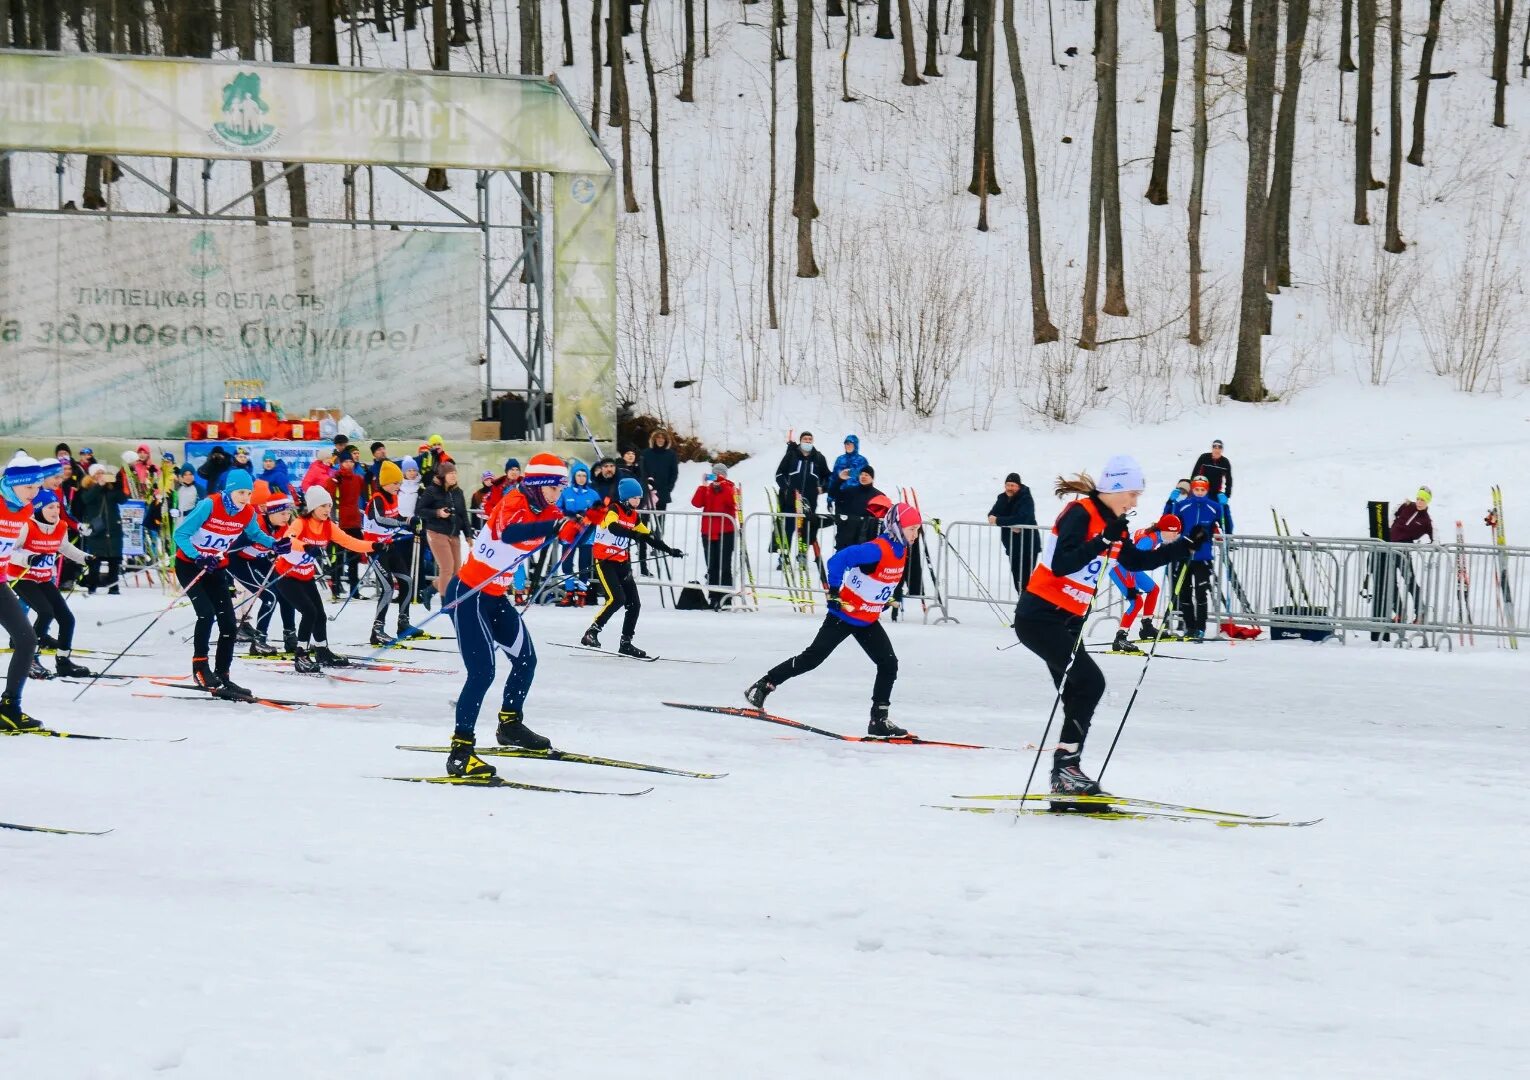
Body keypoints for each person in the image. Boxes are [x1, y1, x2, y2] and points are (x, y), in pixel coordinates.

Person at [1014, 458, 1201, 795]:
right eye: (1132, 494)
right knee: (1090, 683)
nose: (1135, 502)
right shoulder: (1081, 513)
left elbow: (1134, 561)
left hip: (1067, 620)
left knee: (1077, 691)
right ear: (1115, 488)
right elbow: (1061, 564)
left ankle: (1066, 773)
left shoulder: (1116, 522)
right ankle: (1066, 771)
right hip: (1039, 615)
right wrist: (1102, 540)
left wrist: (1182, 547)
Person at [446, 453, 581, 777]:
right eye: (556, 487)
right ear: (539, 484)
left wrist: (581, 526)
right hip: (469, 596)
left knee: (526, 660)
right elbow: (510, 534)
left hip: (495, 597)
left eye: (562, 487)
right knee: (482, 673)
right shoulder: (513, 501)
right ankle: (460, 751)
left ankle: (510, 725)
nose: (559, 493)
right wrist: (555, 525)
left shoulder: (548, 510)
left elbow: (567, 538)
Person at [745, 502, 925, 738]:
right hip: (844, 616)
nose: (915, 534)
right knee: (812, 658)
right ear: (897, 527)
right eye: (912, 529)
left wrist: (886, 596)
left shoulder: (901, 550)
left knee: (888, 663)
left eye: (917, 529)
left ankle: (878, 720)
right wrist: (833, 591)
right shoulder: (877, 549)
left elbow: (878, 578)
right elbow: (837, 561)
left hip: (866, 619)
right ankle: (763, 684)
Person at [172, 467, 286, 699]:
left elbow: (255, 534)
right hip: (190, 565)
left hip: (216, 567)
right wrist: (197, 556)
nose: (246, 498)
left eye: (249, 493)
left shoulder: (247, 512)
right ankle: (200, 668)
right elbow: (180, 534)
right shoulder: (210, 505)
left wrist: (274, 544)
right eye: (241, 493)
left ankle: (223, 675)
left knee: (228, 624)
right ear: (230, 491)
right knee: (206, 613)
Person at [274, 486, 381, 672]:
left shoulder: (328, 526)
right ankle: (301, 654)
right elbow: (287, 540)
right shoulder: (301, 523)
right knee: (309, 612)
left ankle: (322, 651)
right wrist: (305, 546)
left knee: (320, 615)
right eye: (323, 505)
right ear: (313, 507)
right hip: (286, 576)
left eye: (329, 505)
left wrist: (374, 546)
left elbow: (350, 541)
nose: (327, 510)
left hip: (305, 576)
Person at [580, 477, 684, 656]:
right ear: (626, 497)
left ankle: (626, 643)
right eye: (635, 498)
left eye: (639, 498)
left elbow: (649, 536)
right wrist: (633, 534)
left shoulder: (634, 516)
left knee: (634, 604)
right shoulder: (614, 509)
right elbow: (613, 527)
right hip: (605, 562)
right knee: (617, 599)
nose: (638, 501)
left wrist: (669, 550)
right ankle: (591, 632)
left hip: (622, 563)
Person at [0, 453, 64, 729]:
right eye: (29, 488)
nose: (34, 494)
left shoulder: (25, 510)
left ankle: (9, 708)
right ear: (13, 484)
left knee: (27, 641)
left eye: (37, 488)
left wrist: (26, 559)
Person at [9, 489, 93, 677]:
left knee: (67, 619)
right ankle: (29, 659)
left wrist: (86, 558)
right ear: (39, 508)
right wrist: (28, 558)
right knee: (45, 612)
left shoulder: (60, 526)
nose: (55, 511)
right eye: (50, 507)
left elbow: (64, 547)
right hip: (21, 577)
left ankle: (63, 662)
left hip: (43, 578)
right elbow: (8, 551)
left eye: (57, 507)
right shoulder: (27, 526)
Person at [227, 489, 297, 657]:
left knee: (286, 594)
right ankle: (259, 641)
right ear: (270, 513)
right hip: (238, 562)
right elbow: (229, 550)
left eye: (288, 512)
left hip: (258, 560)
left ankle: (290, 637)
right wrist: (227, 580)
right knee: (270, 596)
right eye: (281, 513)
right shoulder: (256, 525)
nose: (285, 516)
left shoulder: (282, 528)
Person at [1107, 514, 1183, 653]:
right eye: (1173, 532)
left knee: (1153, 589)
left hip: (1129, 567)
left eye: (1177, 533)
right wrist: (1130, 587)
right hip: (1119, 566)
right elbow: (1131, 564)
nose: (1175, 536)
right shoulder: (1148, 541)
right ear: (1165, 529)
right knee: (1136, 602)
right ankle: (1120, 639)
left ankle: (1146, 627)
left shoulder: (1157, 536)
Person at [364, 460, 419, 645]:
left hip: (388, 545)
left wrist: (411, 521)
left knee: (407, 581)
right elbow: (380, 520)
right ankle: (377, 630)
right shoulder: (377, 498)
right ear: (385, 482)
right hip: (374, 548)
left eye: (399, 482)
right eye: (395, 483)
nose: (399, 486)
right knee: (387, 588)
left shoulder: (393, 496)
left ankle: (403, 623)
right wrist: (404, 523)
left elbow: (395, 517)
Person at [1171, 475, 1223, 641]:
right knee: (1184, 593)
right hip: (1184, 554)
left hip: (1203, 557)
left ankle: (1201, 628)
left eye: (1202, 489)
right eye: (1197, 489)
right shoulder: (1182, 505)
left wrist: (1225, 507)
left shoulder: (1214, 507)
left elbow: (1226, 525)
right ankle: (1190, 627)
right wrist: (1170, 502)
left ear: (1206, 490)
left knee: (1201, 593)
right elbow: (1170, 521)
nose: (1199, 492)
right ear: (1192, 489)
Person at [773, 431, 830, 564]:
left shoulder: (819, 458)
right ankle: (784, 554)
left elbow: (828, 477)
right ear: (800, 441)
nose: (808, 441)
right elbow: (779, 474)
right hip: (791, 501)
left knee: (806, 530)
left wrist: (823, 488)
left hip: (809, 503)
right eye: (805, 439)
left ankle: (803, 554)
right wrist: (786, 488)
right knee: (788, 528)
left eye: (810, 439)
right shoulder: (791, 456)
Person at [418, 461, 469, 600]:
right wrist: (438, 513)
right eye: (450, 473)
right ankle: (445, 600)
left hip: (454, 533)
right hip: (437, 532)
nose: (453, 476)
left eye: (454, 473)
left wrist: (468, 535)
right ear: (442, 475)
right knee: (447, 567)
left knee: (456, 571)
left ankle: (430, 590)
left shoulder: (458, 492)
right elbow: (419, 510)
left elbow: (463, 514)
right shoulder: (431, 490)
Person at [691, 462, 739, 610]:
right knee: (711, 566)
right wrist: (703, 485)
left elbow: (732, 503)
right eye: (715, 474)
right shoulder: (707, 489)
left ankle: (726, 597)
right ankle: (713, 597)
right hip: (708, 533)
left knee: (725, 566)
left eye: (721, 474)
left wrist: (722, 486)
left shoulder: (731, 488)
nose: (718, 477)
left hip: (726, 532)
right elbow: (696, 503)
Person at [73, 463, 125, 595]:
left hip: (113, 528)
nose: (100, 475)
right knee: (95, 560)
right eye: (97, 473)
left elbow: (122, 499)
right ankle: (92, 586)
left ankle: (114, 586)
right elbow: (86, 499)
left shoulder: (111, 488)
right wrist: (98, 486)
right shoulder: (87, 488)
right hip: (97, 529)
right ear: (91, 476)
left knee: (114, 560)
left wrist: (118, 484)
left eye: (102, 472)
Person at [325, 451, 368, 600]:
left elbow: (366, 491)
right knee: (337, 557)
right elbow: (328, 492)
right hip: (339, 522)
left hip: (354, 522)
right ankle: (335, 588)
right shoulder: (337, 478)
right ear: (341, 463)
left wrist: (369, 477)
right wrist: (333, 481)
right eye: (346, 462)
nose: (349, 464)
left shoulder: (357, 479)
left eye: (351, 461)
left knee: (354, 558)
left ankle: (354, 590)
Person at [988, 472, 1039, 590]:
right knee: (1017, 579)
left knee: (1026, 579)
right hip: (1012, 545)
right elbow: (992, 514)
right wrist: (1010, 524)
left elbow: (1022, 518)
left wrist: (1000, 520)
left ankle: (1027, 606)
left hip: (1028, 545)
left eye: (1012, 485)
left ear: (1018, 486)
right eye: (1008, 485)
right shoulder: (1002, 498)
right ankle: (1023, 604)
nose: (1010, 488)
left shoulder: (1026, 498)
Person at [556, 462, 600, 596]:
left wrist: (589, 516)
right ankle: (569, 591)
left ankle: (582, 591)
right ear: (574, 476)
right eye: (578, 475)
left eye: (584, 475)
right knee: (567, 563)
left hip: (587, 532)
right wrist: (570, 515)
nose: (581, 478)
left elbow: (600, 511)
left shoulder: (593, 494)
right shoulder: (566, 492)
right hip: (569, 532)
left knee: (584, 564)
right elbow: (558, 509)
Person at [831, 464, 885, 550]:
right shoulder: (850, 491)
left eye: (866, 475)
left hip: (868, 538)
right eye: (861, 474)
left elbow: (883, 516)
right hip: (847, 537)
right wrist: (840, 480)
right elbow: (833, 494)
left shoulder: (879, 496)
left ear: (872, 478)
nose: (863, 476)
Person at [1190, 440, 1233, 527]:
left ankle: (1227, 536)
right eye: (1215, 447)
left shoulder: (1225, 462)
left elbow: (1229, 480)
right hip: (1202, 490)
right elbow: (1194, 474)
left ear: (1222, 450)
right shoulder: (1204, 458)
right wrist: (1194, 488)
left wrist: (1226, 495)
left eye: (1219, 447)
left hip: (1216, 492)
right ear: (1212, 448)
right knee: (1203, 510)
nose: (1217, 450)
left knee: (1223, 511)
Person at [642, 430, 679, 516]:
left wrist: (669, 487)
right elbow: (642, 470)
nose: (660, 439)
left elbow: (674, 472)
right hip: (648, 490)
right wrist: (645, 484)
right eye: (658, 437)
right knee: (645, 518)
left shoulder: (671, 454)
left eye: (663, 438)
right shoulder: (646, 453)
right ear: (654, 439)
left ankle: (659, 530)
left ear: (666, 440)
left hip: (663, 490)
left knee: (660, 519)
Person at [827, 435, 869, 510]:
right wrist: (830, 499)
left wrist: (850, 473)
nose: (847, 446)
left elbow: (867, 479)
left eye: (850, 444)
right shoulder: (840, 459)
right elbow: (833, 479)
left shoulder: (862, 461)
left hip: (857, 498)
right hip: (841, 498)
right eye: (846, 444)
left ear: (855, 445)